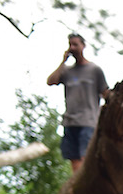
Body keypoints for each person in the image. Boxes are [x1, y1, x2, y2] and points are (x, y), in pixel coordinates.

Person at [46, 33, 108, 172]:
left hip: (88, 122)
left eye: (75, 44)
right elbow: (51, 81)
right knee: (74, 160)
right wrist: (63, 61)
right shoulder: (67, 71)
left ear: (83, 46)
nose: (72, 48)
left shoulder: (94, 70)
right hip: (70, 121)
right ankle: (78, 189)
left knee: (86, 158)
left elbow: (105, 93)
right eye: (70, 45)